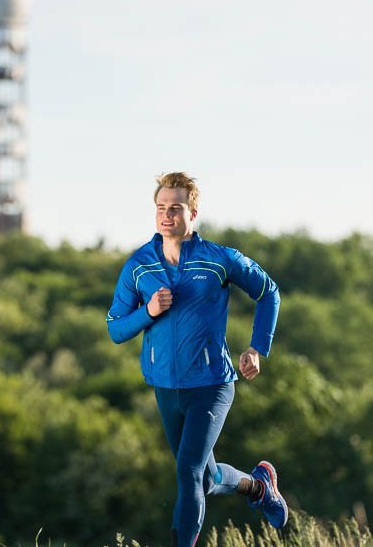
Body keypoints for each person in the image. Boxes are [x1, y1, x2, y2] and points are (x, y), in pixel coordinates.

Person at [106, 172, 288, 547]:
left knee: (187, 473)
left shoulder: (219, 259)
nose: (166, 215)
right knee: (203, 479)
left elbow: (268, 292)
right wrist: (148, 312)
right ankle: (258, 487)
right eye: (161, 208)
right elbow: (115, 329)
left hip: (211, 385)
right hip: (166, 388)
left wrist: (256, 348)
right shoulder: (139, 265)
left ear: (193, 212)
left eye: (175, 208)